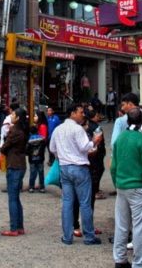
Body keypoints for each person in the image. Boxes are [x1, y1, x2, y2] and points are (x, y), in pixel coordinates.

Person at [50, 104, 104, 245]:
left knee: (67, 203)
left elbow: (52, 148)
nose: (83, 114)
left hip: (64, 168)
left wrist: (61, 156)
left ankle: (67, 236)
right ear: (72, 113)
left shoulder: (58, 129)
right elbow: (85, 147)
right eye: (80, 112)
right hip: (79, 168)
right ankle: (89, 236)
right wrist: (95, 141)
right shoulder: (77, 129)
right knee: (85, 203)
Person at [111, 108, 142, 268]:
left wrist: (117, 183)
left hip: (122, 186)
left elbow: (113, 166)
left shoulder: (120, 139)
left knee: (122, 225)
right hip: (140, 188)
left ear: (127, 121)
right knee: (141, 228)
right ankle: (140, 263)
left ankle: (120, 259)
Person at [0, 108, 29, 236]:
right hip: (20, 164)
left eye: (13, 114)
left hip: (14, 165)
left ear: (17, 118)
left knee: (12, 198)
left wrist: (4, 145)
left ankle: (14, 228)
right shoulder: (22, 130)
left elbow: (4, 147)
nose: (11, 115)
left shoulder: (15, 131)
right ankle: (19, 226)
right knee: (16, 197)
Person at [26, 110, 48, 193]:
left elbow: (27, 149)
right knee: (40, 172)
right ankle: (41, 186)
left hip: (33, 157)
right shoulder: (40, 136)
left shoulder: (41, 127)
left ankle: (32, 186)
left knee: (33, 172)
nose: (34, 117)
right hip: (40, 156)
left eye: (35, 116)